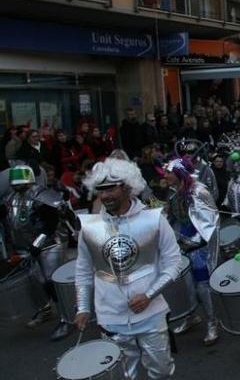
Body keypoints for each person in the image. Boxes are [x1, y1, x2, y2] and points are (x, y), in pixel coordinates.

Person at [74, 158, 180, 379]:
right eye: (100, 190)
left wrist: (149, 295)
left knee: (161, 372)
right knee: (123, 375)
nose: (104, 196)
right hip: (110, 316)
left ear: (127, 187)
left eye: (110, 188)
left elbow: (173, 264)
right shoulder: (90, 228)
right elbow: (83, 270)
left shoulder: (155, 220)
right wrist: (83, 307)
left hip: (151, 314)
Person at [1, 164, 78, 340]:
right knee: (36, 281)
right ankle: (44, 309)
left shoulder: (42, 196)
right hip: (27, 247)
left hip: (49, 246)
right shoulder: (11, 197)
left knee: (52, 281)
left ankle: (67, 318)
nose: (16, 186)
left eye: (19, 183)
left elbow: (50, 224)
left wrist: (36, 245)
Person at [162, 158, 220, 346]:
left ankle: (212, 323)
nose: (165, 176)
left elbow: (211, 221)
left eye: (169, 173)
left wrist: (194, 242)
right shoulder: (174, 192)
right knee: (186, 283)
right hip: (182, 240)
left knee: (202, 285)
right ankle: (191, 316)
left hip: (199, 243)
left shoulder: (198, 191)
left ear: (179, 173)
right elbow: (170, 216)